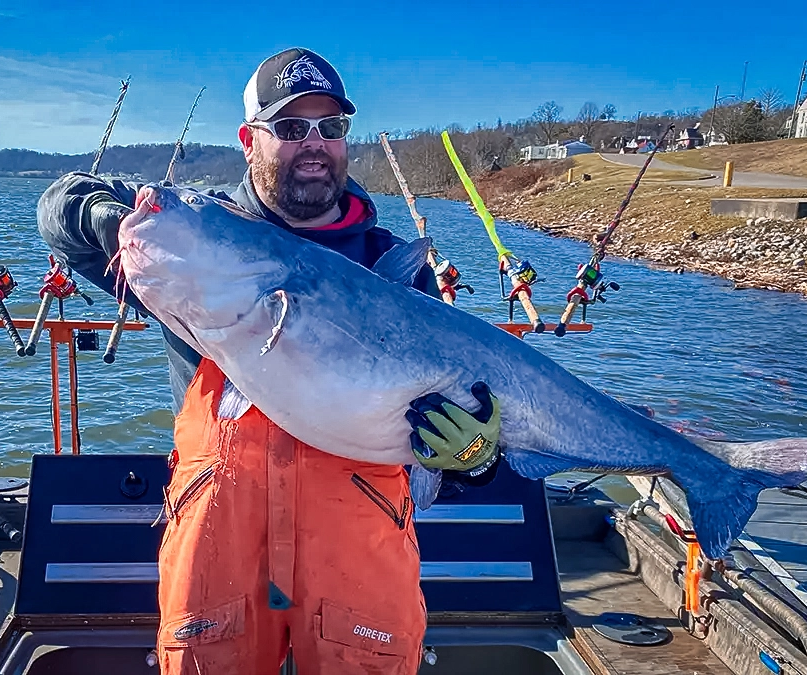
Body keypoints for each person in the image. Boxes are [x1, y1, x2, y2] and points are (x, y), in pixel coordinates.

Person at [37, 47, 501, 674]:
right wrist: (105, 217)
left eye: (330, 128)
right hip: (219, 535)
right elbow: (60, 206)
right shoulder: (191, 241)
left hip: (357, 542)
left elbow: (460, 420)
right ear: (248, 140)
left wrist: (475, 460)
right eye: (289, 127)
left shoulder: (395, 269)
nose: (314, 143)